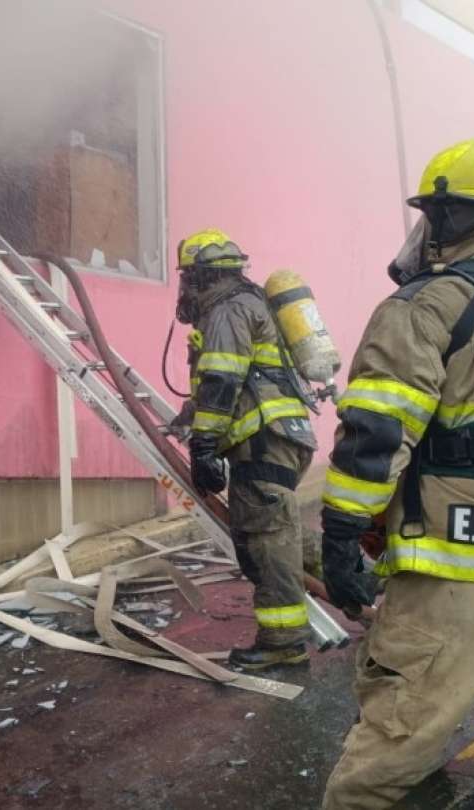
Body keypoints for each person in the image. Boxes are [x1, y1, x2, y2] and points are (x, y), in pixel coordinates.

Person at [322, 132, 474, 809]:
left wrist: (342, 531)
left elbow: (377, 431)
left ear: (455, 216)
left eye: (434, 212)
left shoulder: (428, 305)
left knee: (386, 752)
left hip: (461, 565)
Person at [177, 229, 320, 668]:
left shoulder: (226, 310)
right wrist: (189, 415)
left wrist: (204, 446)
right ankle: (364, 584)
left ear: (200, 275)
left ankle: (284, 641)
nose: (184, 287)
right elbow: (238, 379)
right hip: (279, 437)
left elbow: (223, 378)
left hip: (263, 442)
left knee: (266, 540)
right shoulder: (250, 303)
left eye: (187, 277)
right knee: (279, 528)